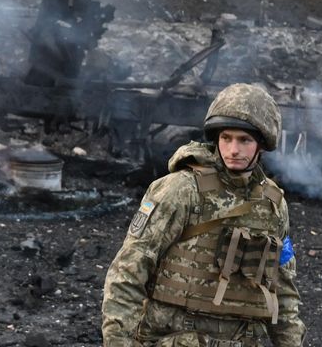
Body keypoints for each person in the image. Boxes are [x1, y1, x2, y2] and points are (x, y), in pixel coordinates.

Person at [101, 83, 305, 346]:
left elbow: (284, 290)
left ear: (261, 145)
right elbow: (128, 271)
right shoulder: (181, 190)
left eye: (244, 140)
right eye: (226, 138)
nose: (233, 149)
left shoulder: (273, 204)